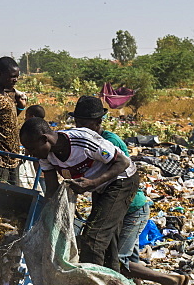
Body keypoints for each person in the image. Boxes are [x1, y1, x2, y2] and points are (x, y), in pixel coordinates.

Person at [71, 96, 189, 285]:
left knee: (120, 260)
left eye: (85, 125)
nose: (81, 129)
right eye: (77, 123)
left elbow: (124, 175)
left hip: (131, 208)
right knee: (124, 255)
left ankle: (172, 280)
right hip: (114, 206)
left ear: (98, 123)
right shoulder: (83, 141)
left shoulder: (110, 141)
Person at [19, 116, 137, 274]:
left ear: (44, 139)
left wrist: (93, 183)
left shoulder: (83, 141)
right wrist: (44, 221)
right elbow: (52, 190)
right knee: (107, 240)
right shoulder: (46, 156)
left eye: (32, 148)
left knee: (93, 239)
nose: (30, 153)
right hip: (99, 187)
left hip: (122, 180)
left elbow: (123, 162)